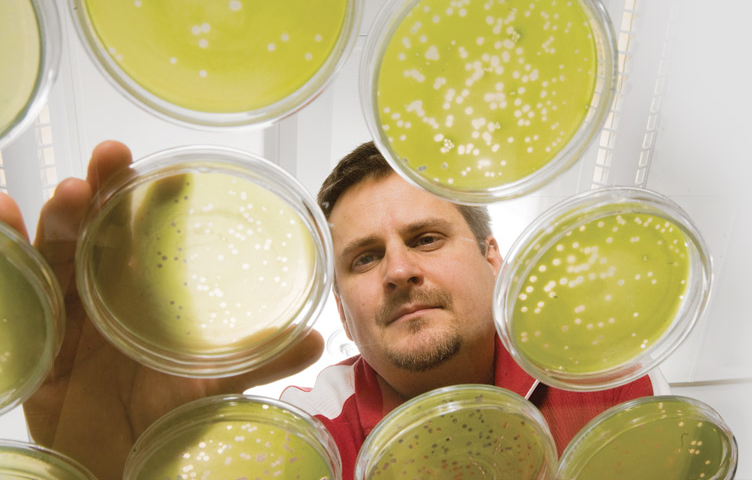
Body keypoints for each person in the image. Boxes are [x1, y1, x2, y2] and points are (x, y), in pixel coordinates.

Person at [0, 140, 652, 479]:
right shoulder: (307, 438)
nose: (398, 270)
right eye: (364, 258)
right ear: (341, 307)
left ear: (494, 259)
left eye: (425, 238)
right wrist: (117, 471)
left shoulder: (607, 378)